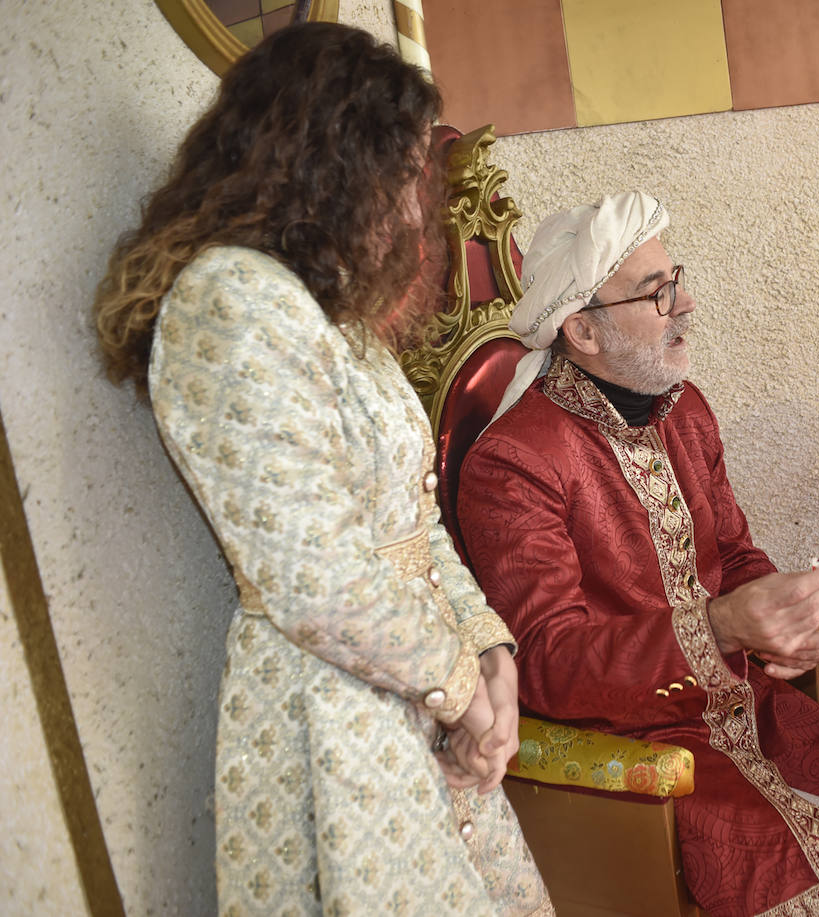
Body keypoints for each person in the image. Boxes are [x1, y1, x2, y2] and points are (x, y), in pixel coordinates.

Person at [91, 23, 550, 915]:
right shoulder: (229, 299)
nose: (416, 213)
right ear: (324, 162)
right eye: (400, 176)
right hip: (333, 713)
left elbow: (412, 524)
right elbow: (315, 574)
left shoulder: (333, 320)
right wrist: (461, 687)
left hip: (413, 690)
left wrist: (492, 654)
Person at [456, 192, 819, 917]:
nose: (686, 302)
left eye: (675, 277)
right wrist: (721, 628)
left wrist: (791, 612)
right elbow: (549, 663)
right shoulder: (515, 461)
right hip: (638, 756)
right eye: (657, 293)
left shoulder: (686, 408)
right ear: (582, 330)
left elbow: (735, 554)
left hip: (744, 708)